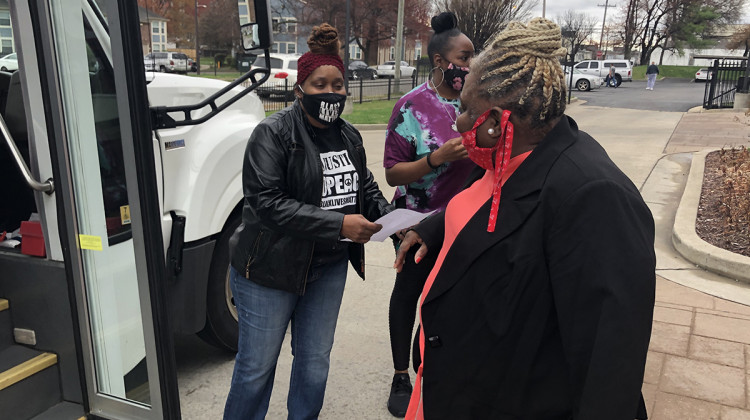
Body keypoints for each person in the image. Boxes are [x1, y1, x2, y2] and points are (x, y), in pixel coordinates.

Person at [395, 18, 655, 419]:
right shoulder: (506, 156)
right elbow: (486, 200)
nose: (457, 122)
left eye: (466, 111)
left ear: (499, 124)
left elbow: (608, 367)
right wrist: (436, 225)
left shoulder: (594, 197)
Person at [223, 23, 392, 420]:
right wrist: (338, 226)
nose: (330, 93)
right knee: (255, 371)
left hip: (328, 269)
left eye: (338, 85)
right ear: (300, 89)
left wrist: (392, 220)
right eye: (320, 84)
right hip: (268, 271)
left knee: (314, 364)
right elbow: (267, 203)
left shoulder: (349, 136)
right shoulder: (272, 134)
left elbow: (365, 187)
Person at [382, 11, 475, 418]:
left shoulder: (478, 105)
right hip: (415, 223)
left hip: (463, 222)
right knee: (409, 296)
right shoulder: (411, 108)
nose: (469, 66)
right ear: (440, 61)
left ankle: (430, 365)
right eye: (464, 57)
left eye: (473, 58)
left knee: (449, 300)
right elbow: (392, 173)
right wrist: (435, 158)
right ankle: (401, 373)